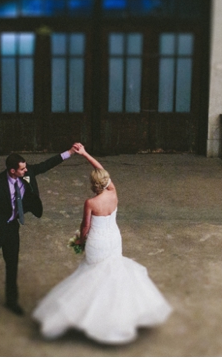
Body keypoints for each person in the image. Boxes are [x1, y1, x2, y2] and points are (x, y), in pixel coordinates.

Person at [32, 145, 172, 344]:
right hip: (114, 239)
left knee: (92, 276)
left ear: (93, 184)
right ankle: (114, 314)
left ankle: (91, 316)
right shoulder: (113, 192)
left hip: (97, 241)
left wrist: (80, 241)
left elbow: (85, 227)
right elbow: (102, 170)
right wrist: (86, 154)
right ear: (106, 182)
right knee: (112, 275)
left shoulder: (90, 202)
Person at [0, 145, 78, 319]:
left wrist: (70, 153)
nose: (26, 170)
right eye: (22, 169)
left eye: (26, 167)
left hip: (13, 228)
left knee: (12, 264)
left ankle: (11, 301)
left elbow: (47, 164)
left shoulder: (27, 174)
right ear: (12, 171)